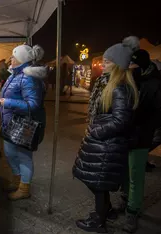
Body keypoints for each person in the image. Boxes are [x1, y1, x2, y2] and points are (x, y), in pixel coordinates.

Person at [72, 36, 140, 233]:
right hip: (105, 144)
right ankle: (102, 212)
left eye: (107, 62)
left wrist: (96, 131)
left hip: (108, 144)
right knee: (97, 184)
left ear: (118, 65)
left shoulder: (120, 88)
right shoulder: (112, 84)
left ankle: (99, 221)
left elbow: (120, 120)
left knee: (99, 184)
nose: (103, 65)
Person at [117, 49, 161, 233]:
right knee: (125, 172)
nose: (130, 68)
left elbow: (157, 114)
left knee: (136, 175)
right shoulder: (128, 80)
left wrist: (148, 131)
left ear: (141, 65)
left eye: (133, 65)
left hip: (141, 136)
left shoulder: (155, 84)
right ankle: (125, 199)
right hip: (125, 134)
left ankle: (132, 212)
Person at [0, 44, 47, 200]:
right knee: (10, 153)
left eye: (13, 57)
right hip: (12, 123)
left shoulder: (28, 78)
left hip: (25, 124)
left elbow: (33, 105)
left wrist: (6, 102)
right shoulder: (16, 74)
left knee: (24, 157)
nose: (10, 59)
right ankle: (17, 180)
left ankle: (24, 188)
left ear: (20, 59)